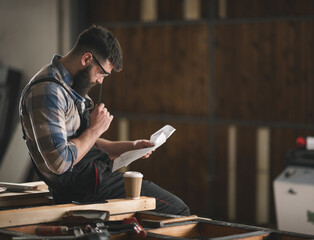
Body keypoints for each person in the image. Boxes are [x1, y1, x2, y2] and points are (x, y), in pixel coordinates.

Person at [19, 25, 190, 216]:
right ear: (86, 59)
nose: (100, 81)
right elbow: (60, 161)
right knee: (178, 210)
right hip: (82, 189)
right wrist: (95, 129)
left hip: (90, 181)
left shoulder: (69, 88)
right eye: (102, 73)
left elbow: (82, 142)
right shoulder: (49, 92)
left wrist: (130, 147)